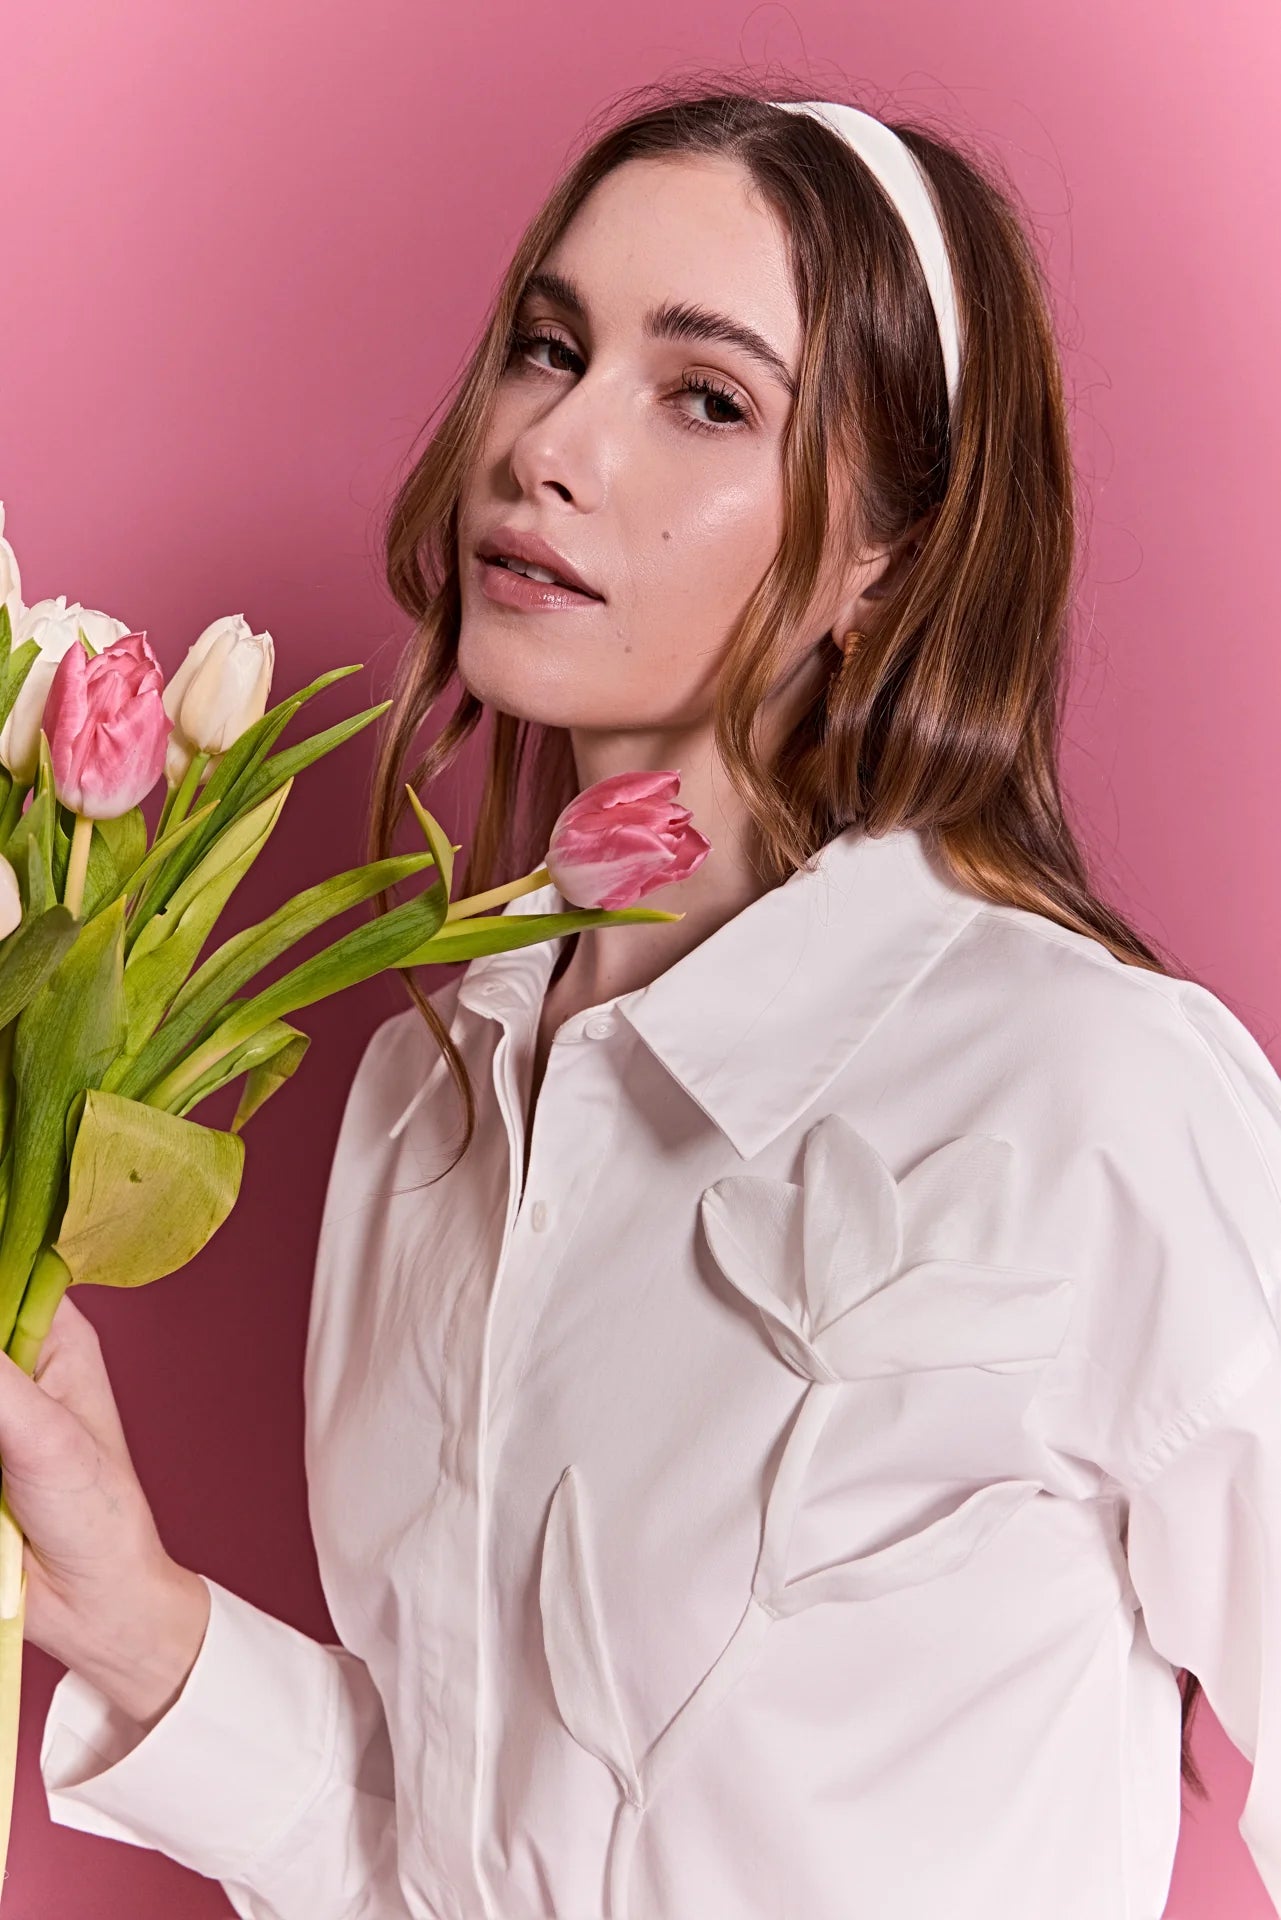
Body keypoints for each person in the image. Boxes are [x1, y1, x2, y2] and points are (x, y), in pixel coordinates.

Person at [4, 77, 1278, 1920]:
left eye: (705, 398)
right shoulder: (429, 1096)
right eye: (545, 346)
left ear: (882, 556)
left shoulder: (1094, 1092)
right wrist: (137, 1618)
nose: (548, 446)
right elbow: (447, 1862)